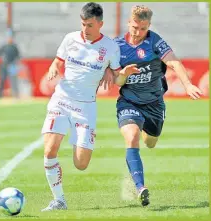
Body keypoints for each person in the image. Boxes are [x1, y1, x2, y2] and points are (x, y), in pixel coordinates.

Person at [41, 2, 139, 211]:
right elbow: (58, 61)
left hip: (85, 108)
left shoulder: (110, 47)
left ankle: (75, 139)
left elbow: (118, 79)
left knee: (81, 164)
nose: (85, 30)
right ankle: (59, 200)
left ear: (100, 24)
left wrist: (124, 74)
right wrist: (53, 68)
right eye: (83, 24)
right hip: (61, 100)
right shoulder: (70, 39)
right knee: (49, 150)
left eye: (90, 25)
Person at [109, 5, 203, 207]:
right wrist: (124, 74)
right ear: (129, 23)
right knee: (132, 136)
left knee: (150, 142)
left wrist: (187, 85)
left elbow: (174, 63)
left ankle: (139, 148)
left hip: (154, 104)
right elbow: (117, 81)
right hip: (129, 101)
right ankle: (140, 187)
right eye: (135, 27)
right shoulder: (116, 45)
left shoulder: (154, 41)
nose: (138, 32)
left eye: (142, 28)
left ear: (148, 26)